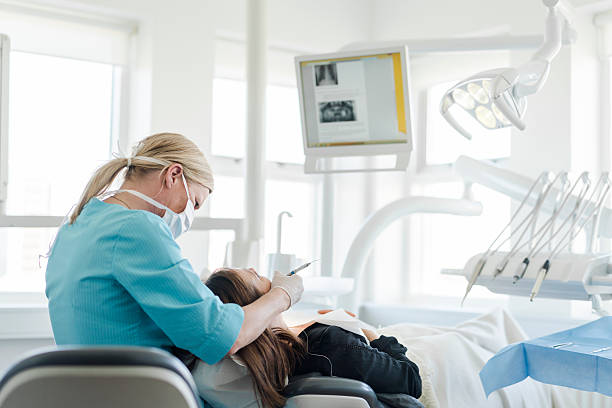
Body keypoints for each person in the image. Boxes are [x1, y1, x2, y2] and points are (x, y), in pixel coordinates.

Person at [45, 133, 304, 371]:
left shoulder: (76, 225)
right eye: (195, 203)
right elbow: (223, 336)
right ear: (173, 174)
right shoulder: (138, 228)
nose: (190, 216)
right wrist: (283, 295)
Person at [191, 267, 422, 408]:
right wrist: (369, 332)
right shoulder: (331, 347)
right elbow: (412, 380)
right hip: (415, 357)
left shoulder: (267, 364)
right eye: (254, 275)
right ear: (256, 304)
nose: (254, 268)